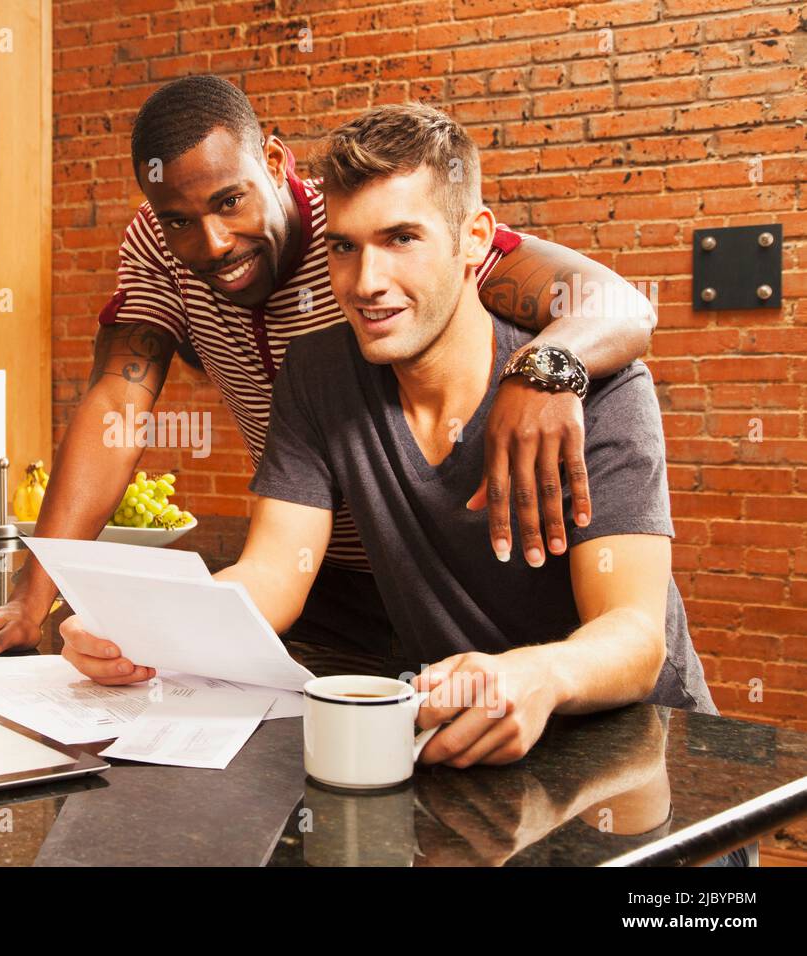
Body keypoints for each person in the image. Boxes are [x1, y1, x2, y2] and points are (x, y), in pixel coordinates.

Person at [0, 75, 657, 670]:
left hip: (442, 563)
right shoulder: (165, 254)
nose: (211, 242)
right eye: (180, 219)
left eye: (230, 201)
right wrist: (33, 602)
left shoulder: (359, 227)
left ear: (275, 164)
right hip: (303, 572)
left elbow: (610, 303)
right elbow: (119, 404)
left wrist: (547, 367)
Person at [58, 102, 717, 771]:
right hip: (459, 746)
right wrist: (147, 632)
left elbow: (636, 639)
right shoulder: (316, 377)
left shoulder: (594, 389)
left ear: (474, 239)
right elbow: (274, 575)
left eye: (401, 238)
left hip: (641, 758)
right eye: (344, 247)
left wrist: (540, 676)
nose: (367, 284)